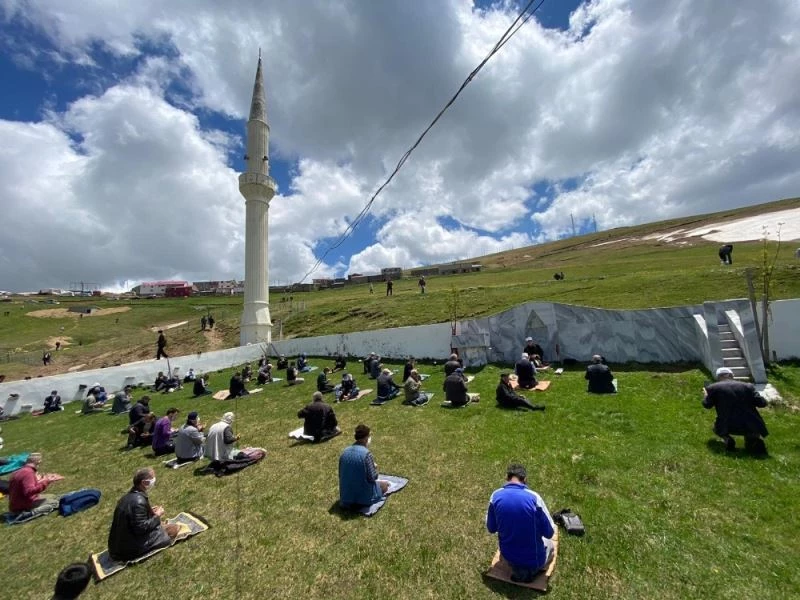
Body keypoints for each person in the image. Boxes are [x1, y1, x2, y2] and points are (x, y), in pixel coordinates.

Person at [486, 464, 555, 583]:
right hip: (535, 561)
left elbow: (491, 528)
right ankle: (530, 572)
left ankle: (518, 570)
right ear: (525, 479)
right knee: (550, 544)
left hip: (508, 558)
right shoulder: (535, 498)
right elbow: (549, 533)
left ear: (507, 478)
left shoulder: (495, 496)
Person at [107, 467, 179, 562]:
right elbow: (141, 528)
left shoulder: (127, 497)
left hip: (117, 546)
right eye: (152, 479)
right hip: (126, 551)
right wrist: (157, 515)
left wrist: (148, 511)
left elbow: (133, 519)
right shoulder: (138, 501)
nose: (154, 481)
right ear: (144, 482)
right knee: (173, 529)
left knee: (163, 526)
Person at [703, 367, 768, 454]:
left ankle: (727, 439)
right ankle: (753, 440)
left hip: (727, 425)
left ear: (718, 377)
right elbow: (762, 403)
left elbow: (707, 405)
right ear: (732, 375)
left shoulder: (713, 388)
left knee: (716, 426)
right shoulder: (748, 386)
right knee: (752, 431)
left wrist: (706, 396)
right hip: (751, 424)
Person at [338, 424, 389, 509]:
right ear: (366, 438)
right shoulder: (366, 454)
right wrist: (373, 467)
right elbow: (372, 478)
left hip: (346, 497)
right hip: (364, 498)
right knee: (384, 485)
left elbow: (341, 474)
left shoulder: (344, 452)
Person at [8, 453, 63, 517]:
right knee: (55, 503)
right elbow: (29, 491)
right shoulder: (28, 473)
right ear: (38, 462)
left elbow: (25, 487)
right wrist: (46, 482)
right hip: (23, 505)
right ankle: (29, 513)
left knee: (53, 496)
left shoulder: (19, 471)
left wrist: (43, 480)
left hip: (16, 503)